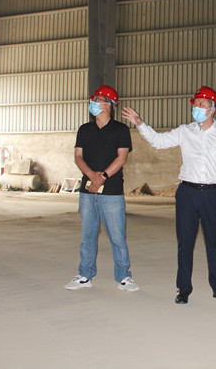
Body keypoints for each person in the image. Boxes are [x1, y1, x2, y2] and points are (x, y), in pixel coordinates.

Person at [122, 86, 216, 305]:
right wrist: (140, 124)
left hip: (212, 194)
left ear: (213, 108)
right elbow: (159, 141)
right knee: (185, 244)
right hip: (187, 193)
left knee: (214, 243)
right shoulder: (185, 131)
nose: (197, 108)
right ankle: (183, 288)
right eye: (196, 104)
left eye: (202, 104)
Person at [64, 85, 139, 292]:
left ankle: (124, 276)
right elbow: (78, 156)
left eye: (98, 99)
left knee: (117, 237)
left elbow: (121, 157)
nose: (94, 103)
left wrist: (103, 177)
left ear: (109, 105)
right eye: (94, 99)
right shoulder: (84, 130)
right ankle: (85, 275)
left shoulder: (121, 130)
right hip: (87, 192)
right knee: (87, 236)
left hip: (112, 192)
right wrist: (91, 176)